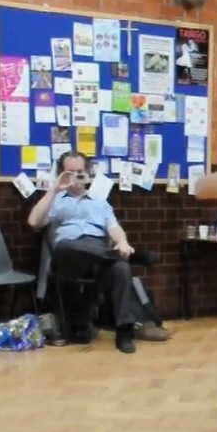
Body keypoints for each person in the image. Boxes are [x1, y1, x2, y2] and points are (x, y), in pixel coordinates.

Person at [26, 151, 169, 354]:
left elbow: (114, 228)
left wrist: (123, 243)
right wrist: (54, 189)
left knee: (121, 267)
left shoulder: (100, 202)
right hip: (69, 256)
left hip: (98, 255)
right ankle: (124, 257)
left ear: (88, 173)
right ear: (61, 174)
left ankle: (124, 332)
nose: (76, 175)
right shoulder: (55, 201)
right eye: (70, 172)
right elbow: (34, 222)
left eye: (80, 171)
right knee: (67, 245)